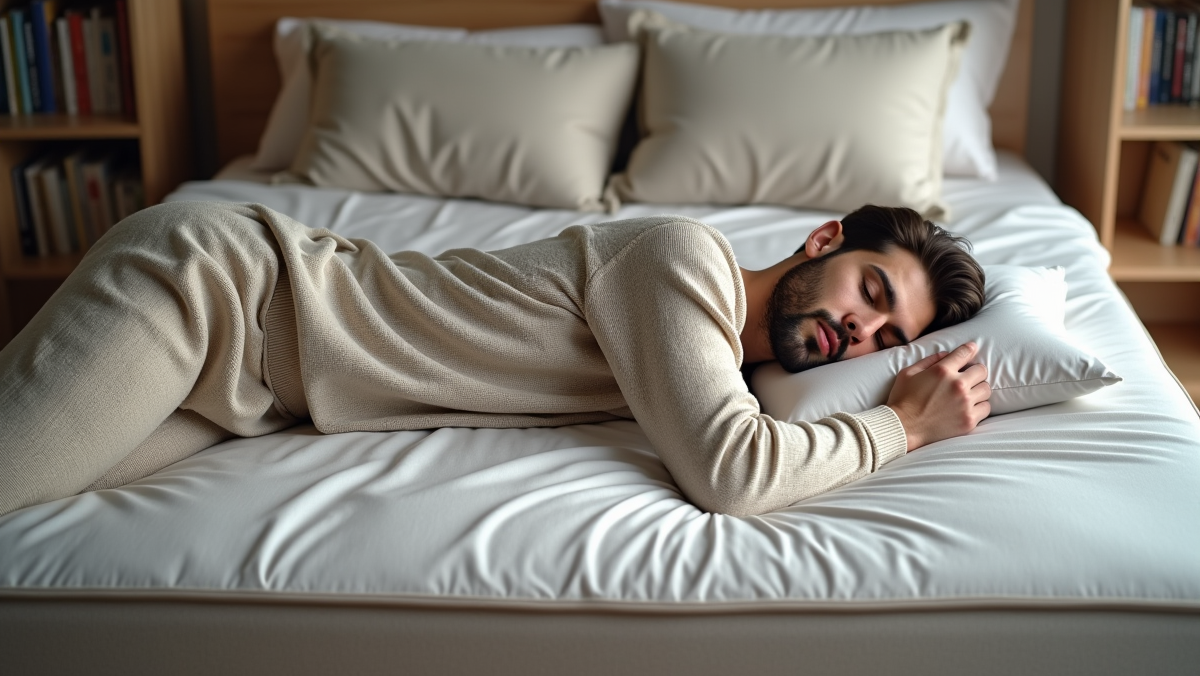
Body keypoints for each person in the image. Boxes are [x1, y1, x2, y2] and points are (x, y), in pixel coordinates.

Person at [0, 199, 988, 518]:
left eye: (889, 338)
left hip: (253, 390)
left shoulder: (727, 361)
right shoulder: (685, 260)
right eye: (872, 291)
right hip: (222, 291)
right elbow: (730, 470)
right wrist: (900, 421)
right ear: (822, 241)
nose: (865, 335)